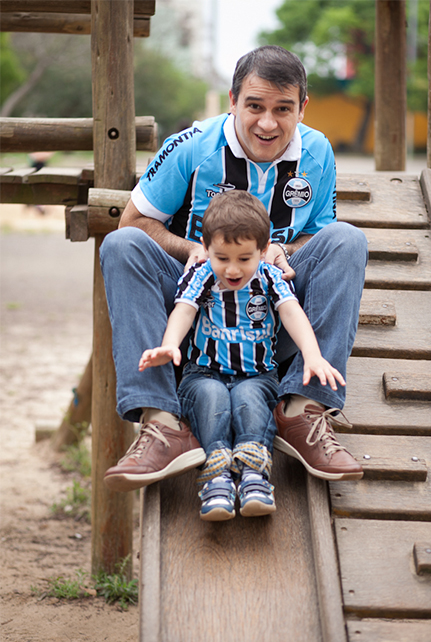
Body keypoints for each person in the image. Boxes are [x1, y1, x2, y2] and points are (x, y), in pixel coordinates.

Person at [101, 45, 366, 494]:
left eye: (283, 109)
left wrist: (280, 250)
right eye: (255, 106)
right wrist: (194, 252)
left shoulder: (318, 152)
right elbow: (135, 221)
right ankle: (162, 422)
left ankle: (303, 410)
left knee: (347, 239)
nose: (267, 123)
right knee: (121, 243)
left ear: (302, 107)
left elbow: (318, 237)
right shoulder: (192, 146)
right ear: (232, 100)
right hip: (192, 317)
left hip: (271, 314)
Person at [136, 190, 345, 520]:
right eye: (222, 258)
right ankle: (216, 477)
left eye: (244, 259)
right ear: (206, 249)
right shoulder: (201, 274)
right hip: (203, 372)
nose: (232, 269)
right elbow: (184, 310)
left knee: (250, 400)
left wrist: (313, 355)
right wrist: (171, 343)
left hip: (257, 375)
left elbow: (292, 313)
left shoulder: (270, 277)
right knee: (211, 397)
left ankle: (253, 474)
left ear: (263, 252)